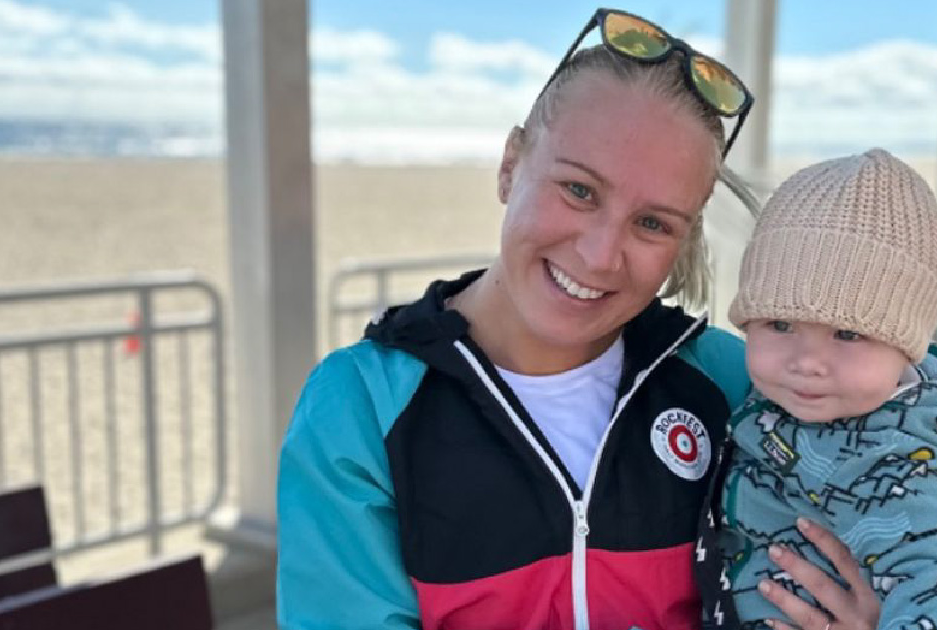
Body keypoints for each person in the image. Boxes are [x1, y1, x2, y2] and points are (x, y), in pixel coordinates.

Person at [278, 8, 883, 630]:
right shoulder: (361, 407)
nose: (599, 256)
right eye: (579, 190)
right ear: (511, 164)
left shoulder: (736, 382)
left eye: (652, 223)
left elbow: (892, 493)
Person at [695, 149, 937, 630]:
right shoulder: (767, 396)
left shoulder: (899, 459)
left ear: (906, 349)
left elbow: (933, 585)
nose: (807, 362)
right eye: (780, 324)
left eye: (848, 334)